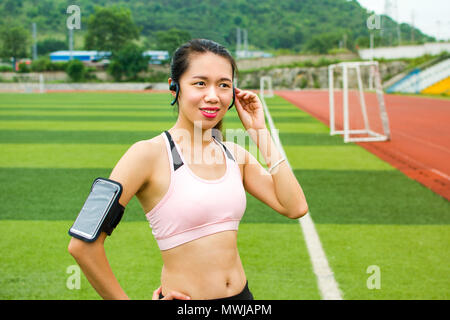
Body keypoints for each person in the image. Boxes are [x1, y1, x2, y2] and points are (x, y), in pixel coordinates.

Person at [68, 39, 308, 300]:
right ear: (174, 88)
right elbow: (82, 245)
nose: (213, 95)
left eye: (224, 85)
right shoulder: (146, 154)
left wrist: (260, 134)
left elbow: (294, 207)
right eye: (200, 83)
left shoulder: (236, 155)